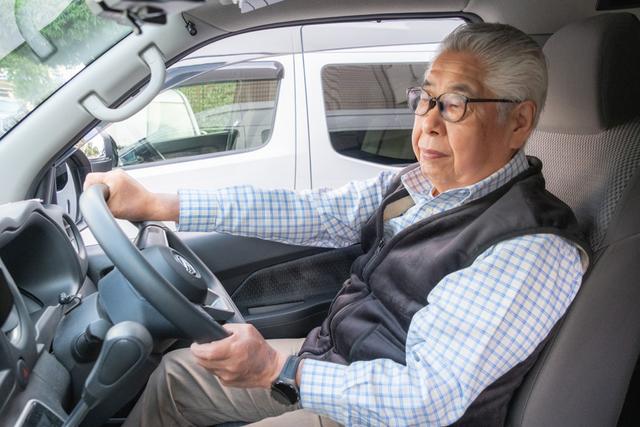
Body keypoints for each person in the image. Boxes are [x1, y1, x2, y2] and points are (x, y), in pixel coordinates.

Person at [84, 22, 589, 426]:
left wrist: (278, 369)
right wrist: (159, 203)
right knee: (178, 374)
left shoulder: (530, 245)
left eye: (455, 105)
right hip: (338, 359)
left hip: (384, 412)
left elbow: (428, 399)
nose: (428, 122)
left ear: (518, 122)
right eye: (426, 98)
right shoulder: (417, 186)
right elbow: (312, 211)